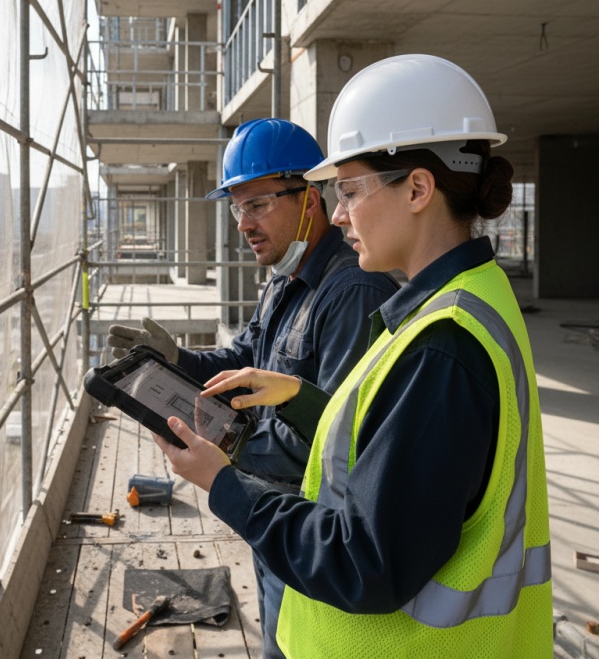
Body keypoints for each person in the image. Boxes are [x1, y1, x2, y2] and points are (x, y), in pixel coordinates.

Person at [152, 55, 552, 658]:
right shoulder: (457, 303)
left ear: (418, 188)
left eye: (348, 191)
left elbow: (365, 563)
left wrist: (221, 481)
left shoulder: (441, 345)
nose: (339, 214)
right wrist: (291, 393)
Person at [107, 117, 399, 658]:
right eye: (237, 207)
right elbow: (244, 357)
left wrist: (226, 454)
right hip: (270, 514)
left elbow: (336, 437)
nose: (242, 223)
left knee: (292, 646)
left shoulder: (352, 291)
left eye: (258, 204)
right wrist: (176, 360)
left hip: (309, 528)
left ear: (310, 198)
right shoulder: (287, 278)